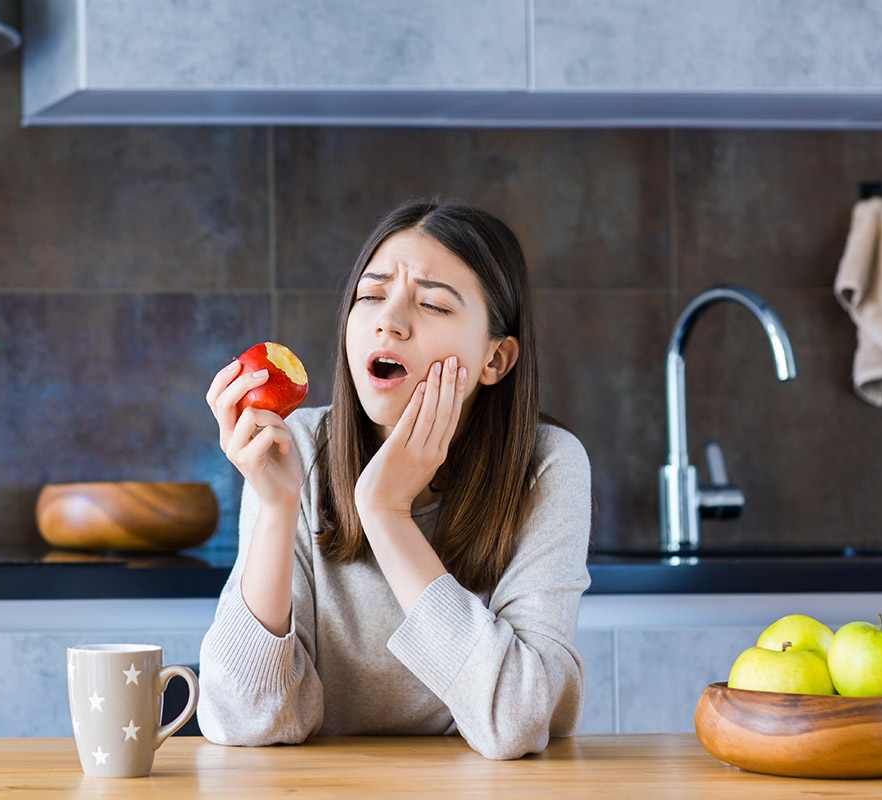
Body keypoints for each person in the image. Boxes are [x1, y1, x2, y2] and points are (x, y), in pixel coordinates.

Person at [199, 198, 592, 760]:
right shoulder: (296, 448)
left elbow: (514, 721)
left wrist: (386, 515)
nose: (390, 319)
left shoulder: (548, 466)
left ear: (495, 359)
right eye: (372, 295)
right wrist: (278, 506)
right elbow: (245, 718)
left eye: (432, 303)